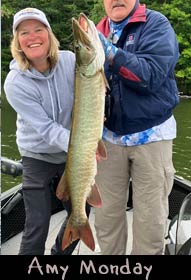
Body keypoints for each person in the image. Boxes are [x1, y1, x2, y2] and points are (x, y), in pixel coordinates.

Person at [95, 0, 180, 255]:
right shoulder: (97, 32)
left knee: (151, 222)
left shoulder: (156, 24)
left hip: (152, 136)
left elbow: (150, 76)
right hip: (108, 140)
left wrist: (109, 51)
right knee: (106, 218)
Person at [4, 7, 91, 255]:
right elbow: (47, 129)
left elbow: (89, 99)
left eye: (38, 29)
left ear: (49, 34)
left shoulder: (71, 61)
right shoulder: (15, 82)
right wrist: (84, 147)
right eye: (24, 32)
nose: (32, 37)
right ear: (18, 42)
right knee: (37, 224)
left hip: (70, 155)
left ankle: (58, 256)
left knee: (81, 211)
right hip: (37, 156)